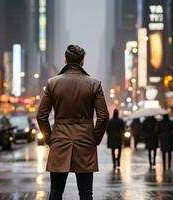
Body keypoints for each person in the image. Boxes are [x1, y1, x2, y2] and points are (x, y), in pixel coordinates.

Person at [37, 44, 109, 200]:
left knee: (56, 192)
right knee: (85, 194)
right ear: (82, 61)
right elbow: (103, 116)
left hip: (59, 140)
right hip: (85, 141)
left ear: (65, 60)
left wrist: (50, 139)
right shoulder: (94, 84)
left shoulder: (52, 83)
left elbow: (41, 116)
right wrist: (94, 139)